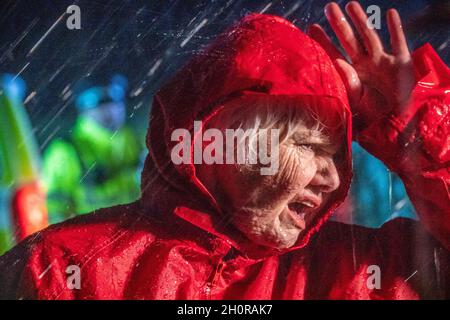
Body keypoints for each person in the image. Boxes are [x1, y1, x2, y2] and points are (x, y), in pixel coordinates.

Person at [0, 2, 449, 299]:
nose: (333, 177)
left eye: (338, 153)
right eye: (310, 146)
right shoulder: (61, 268)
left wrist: (421, 126)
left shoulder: (358, 271)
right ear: (227, 142)